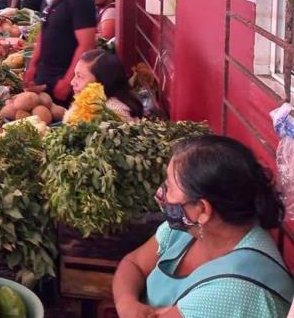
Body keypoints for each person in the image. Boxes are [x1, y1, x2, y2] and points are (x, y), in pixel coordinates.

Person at [113, 135, 294, 318]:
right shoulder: (190, 229)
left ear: (202, 209)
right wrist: (127, 303)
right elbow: (134, 263)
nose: (162, 194)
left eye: (170, 188)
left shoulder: (233, 290)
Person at [24, 0, 97, 107]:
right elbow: (43, 31)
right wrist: (33, 65)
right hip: (44, 75)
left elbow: (86, 45)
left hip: (65, 79)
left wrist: (68, 80)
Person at [70, 49, 142, 122]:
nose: (72, 82)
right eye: (75, 75)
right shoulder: (93, 104)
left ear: (101, 81)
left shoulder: (113, 114)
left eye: (79, 76)